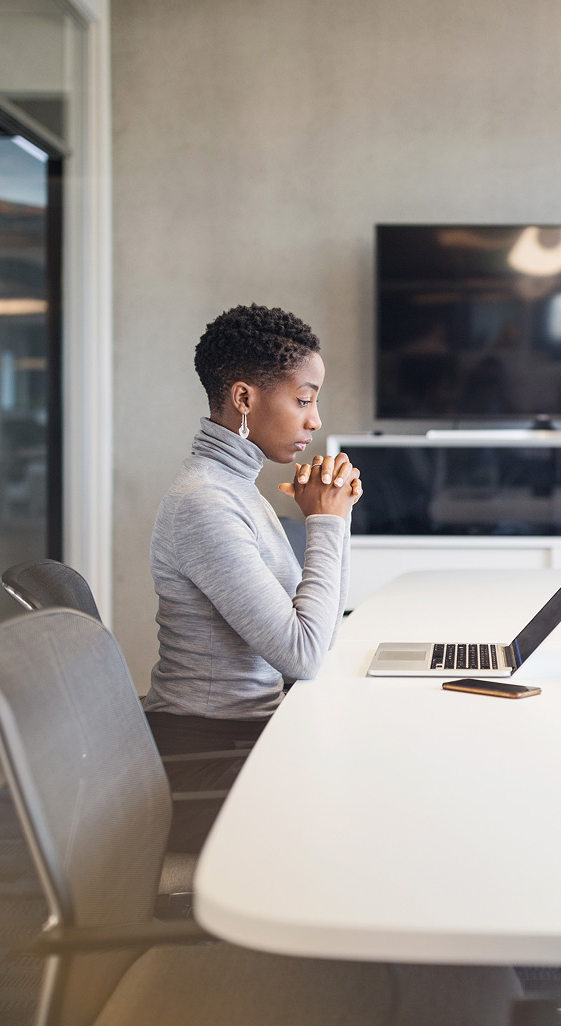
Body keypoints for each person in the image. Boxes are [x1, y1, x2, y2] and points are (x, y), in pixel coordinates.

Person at [146, 304, 361, 853]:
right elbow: (304, 654)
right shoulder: (205, 504)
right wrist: (325, 522)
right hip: (211, 759)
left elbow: (316, 626)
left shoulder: (238, 490)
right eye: (303, 398)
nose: (314, 419)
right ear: (244, 398)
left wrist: (336, 516)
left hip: (250, 736)